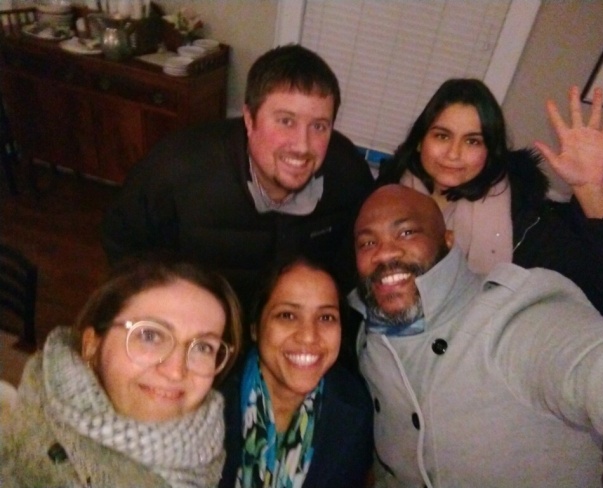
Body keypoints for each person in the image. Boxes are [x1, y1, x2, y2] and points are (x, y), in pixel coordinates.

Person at [376, 79, 603, 485]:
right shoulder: (381, 206)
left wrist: (593, 191)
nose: (453, 154)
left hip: (496, 417)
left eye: (472, 141)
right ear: (420, 141)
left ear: (490, 152)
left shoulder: (527, 222)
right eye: (442, 136)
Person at [349, 184, 603, 488]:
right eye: (367, 242)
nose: (384, 252)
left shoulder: (511, 314)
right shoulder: (365, 338)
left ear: (448, 240)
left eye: (406, 233)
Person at [101, 44, 375, 327]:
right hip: (201, 325)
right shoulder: (175, 170)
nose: (302, 145)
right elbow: (124, 243)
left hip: (292, 331)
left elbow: (353, 262)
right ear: (249, 118)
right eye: (285, 121)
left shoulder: (348, 176)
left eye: (319, 126)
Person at [0, 257, 243, 487]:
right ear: (92, 346)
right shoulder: (19, 453)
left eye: (203, 347)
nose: (176, 371)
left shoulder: (217, 446)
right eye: (150, 335)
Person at [219, 256, 373, 488]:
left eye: (325, 317)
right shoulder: (210, 399)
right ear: (255, 328)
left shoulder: (354, 409)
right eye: (287, 315)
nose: (309, 336)